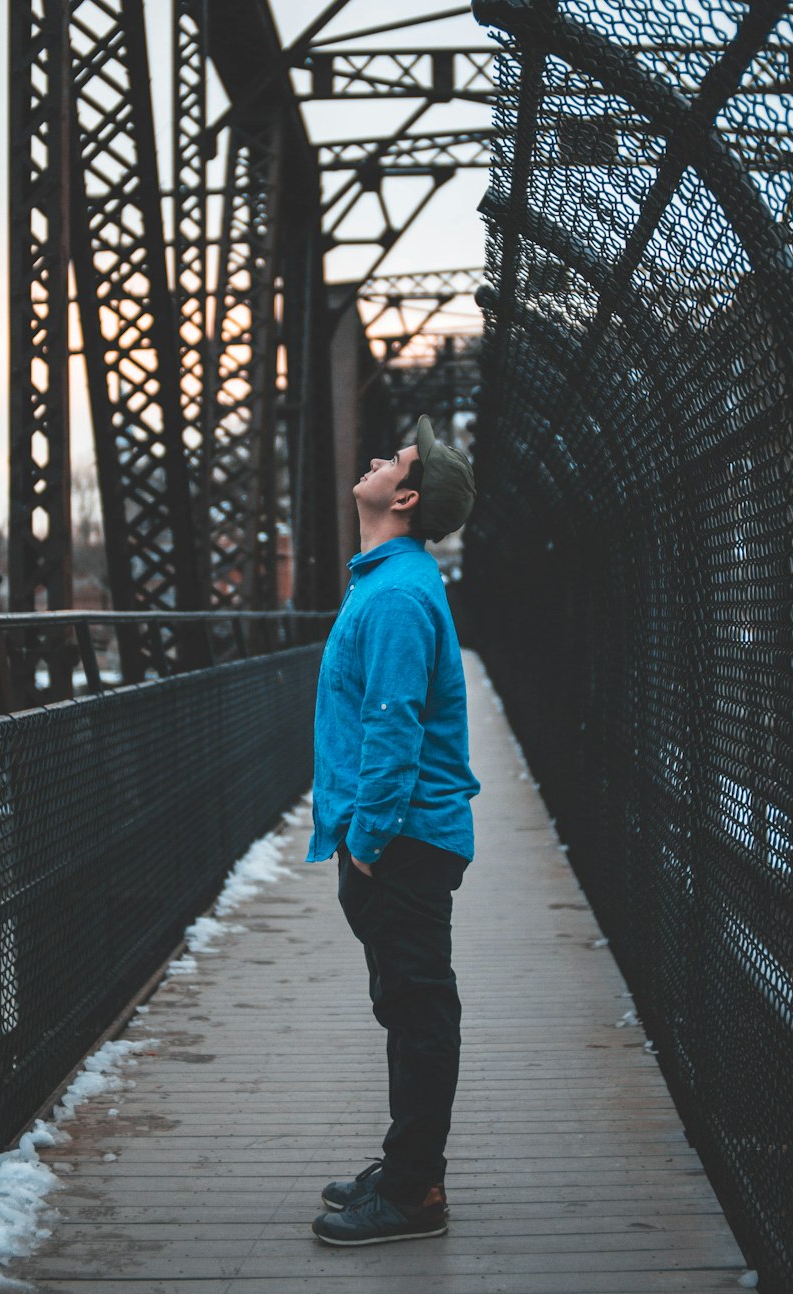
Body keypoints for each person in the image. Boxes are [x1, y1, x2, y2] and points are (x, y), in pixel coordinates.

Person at [306, 414, 480, 1247]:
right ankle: (410, 1168)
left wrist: (366, 842)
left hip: (399, 841)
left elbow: (393, 726)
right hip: (394, 837)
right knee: (404, 1005)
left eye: (393, 459)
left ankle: (414, 1193)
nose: (377, 460)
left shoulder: (402, 594)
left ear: (405, 496)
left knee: (417, 1008)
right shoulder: (385, 582)